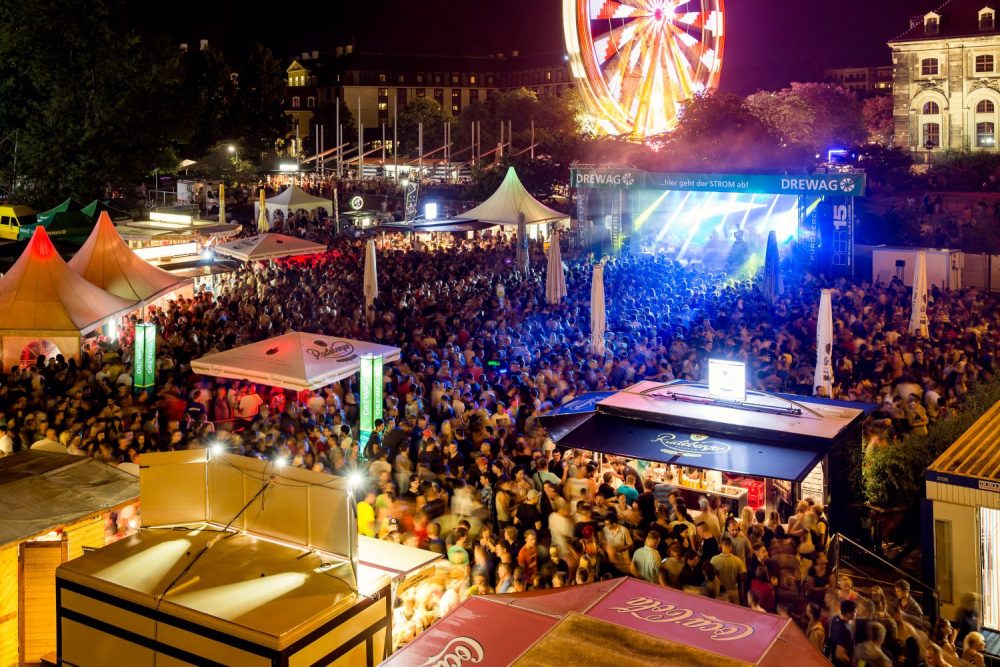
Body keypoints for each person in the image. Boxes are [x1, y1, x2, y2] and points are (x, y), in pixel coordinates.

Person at [709, 535, 746, 604]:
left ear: (720, 546)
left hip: (720, 593)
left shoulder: (714, 560)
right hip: (734, 591)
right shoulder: (738, 560)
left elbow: (711, 578)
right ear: (731, 547)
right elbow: (742, 580)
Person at [828, 599, 857, 667]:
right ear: (848, 613)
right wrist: (852, 664)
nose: (856, 612)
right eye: (854, 610)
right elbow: (840, 655)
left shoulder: (835, 619)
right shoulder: (846, 630)